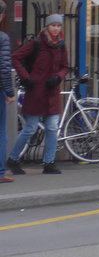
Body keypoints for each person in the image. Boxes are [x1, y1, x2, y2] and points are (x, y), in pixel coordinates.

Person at [7, 14, 71, 175]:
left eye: (59, 26)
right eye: (53, 25)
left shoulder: (61, 45)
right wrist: (26, 78)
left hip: (52, 92)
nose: (56, 28)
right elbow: (15, 58)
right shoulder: (36, 43)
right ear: (47, 26)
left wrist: (58, 77)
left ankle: (49, 163)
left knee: (51, 128)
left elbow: (65, 66)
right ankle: (13, 159)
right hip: (36, 91)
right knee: (30, 128)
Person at [0, 1, 15, 183]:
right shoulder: (2, 38)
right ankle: (1, 171)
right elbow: (3, 68)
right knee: (0, 132)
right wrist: (10, 92)